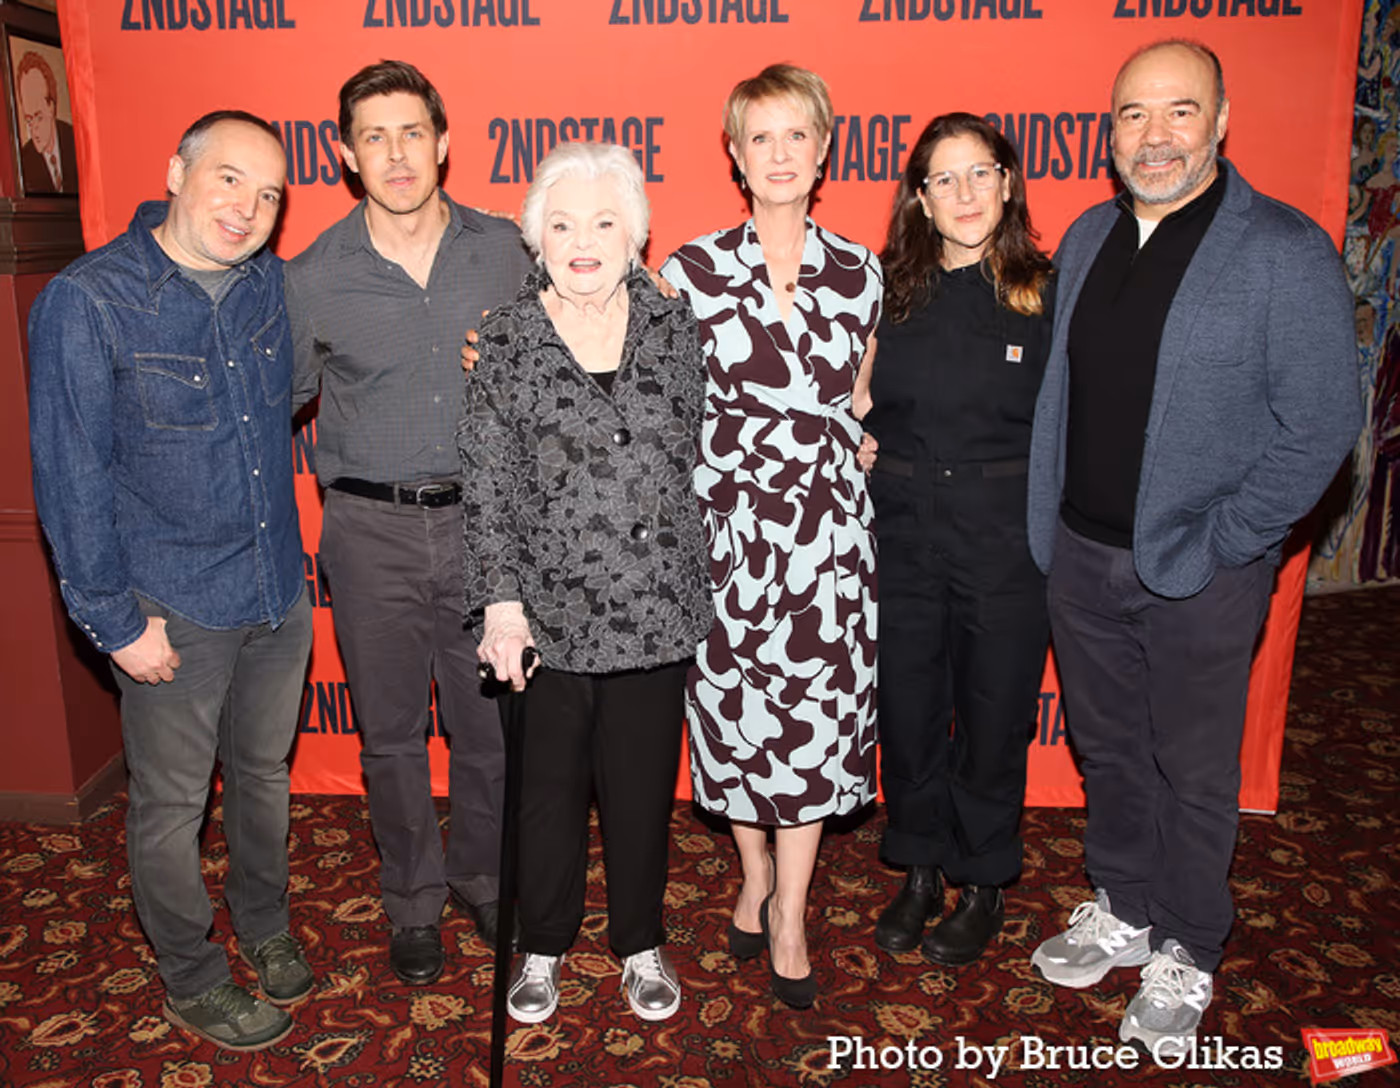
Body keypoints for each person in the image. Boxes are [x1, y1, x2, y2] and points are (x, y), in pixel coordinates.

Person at [1026, 40, 1362, 1056]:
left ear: (1219, 121)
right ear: (1108, 129)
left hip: (1199, 573)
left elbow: (1319, 422)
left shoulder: (1278, 248)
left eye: (1178, 111)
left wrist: (1226, 539)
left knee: (1193, 769)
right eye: (1131, 114)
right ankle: (1124, 902)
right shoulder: (1086, 234)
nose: (1153, 135)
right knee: (1111, 750)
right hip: (1080, 556)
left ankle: (1186, 943)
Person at [27, 111, 313, 1050]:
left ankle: (264, 926)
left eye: (269, 193)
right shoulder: (91, 299)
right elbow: (69, 478)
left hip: (275, 590)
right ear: (175, 172)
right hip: (170, 609)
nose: (248, 208)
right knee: (171, 809)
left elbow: (288, 399)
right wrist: (114, 623)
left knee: (264, 777)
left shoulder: (268, 285)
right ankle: (191, 977)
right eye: (229, 179)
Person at [288, 60, 531, 985]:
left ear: (445, 142)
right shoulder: (311, 277)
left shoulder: (509, 250)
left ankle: (479, 876)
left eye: (412, 132)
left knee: (489, 731)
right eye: (374, 136)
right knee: (389, 735)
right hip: (369, 529)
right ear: (346, 154)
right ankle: (412, 902)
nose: (397, 153)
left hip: (489, 529)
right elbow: (275, 408)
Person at [460, 141, 710, 1024]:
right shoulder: (504, 339)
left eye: (605, 222)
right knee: (547, 798)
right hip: (546, 620)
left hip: (654, 610)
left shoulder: (679, 331)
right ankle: (544, 945)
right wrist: (500, 605)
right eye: (561, 224)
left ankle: (640, 941)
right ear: (536, 240)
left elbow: (713, 455)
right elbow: (487, 483)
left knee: (642, 796)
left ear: (636, 234)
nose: (583, 241)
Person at [660, 64, 882, 1009]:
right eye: (762, 138)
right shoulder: (689, 271)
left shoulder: (862, 272)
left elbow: (865, 402)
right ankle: (752, 873)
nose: (781, 154)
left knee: (813, 733)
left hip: (828, 542)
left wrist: (858, 445)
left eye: (799, 135)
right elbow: (654, 403)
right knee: (736, 729)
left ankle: (790, 909)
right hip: (724, 541)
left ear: (824, 148)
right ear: (736, 156)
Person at [857, 113, 1053, 966]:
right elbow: (846, 398)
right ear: (920, 199)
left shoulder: (1046, 292)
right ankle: (919, 866)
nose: (965, 193)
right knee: (907, 708)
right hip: (901, 530)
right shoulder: (889, 291)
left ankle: (982, 881)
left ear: (1008, 183)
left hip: (1004, 535)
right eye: (945, 178)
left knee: (994, 710)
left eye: (981, 174)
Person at [15, 51, 78, 194]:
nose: (34, 130)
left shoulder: (76, 142)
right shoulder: (24, 161)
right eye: (29, 120)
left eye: (38, 117)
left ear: (51, 107)